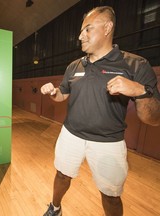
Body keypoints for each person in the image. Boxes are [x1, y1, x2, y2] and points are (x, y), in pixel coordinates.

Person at [41, 6, 160, 216]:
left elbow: (154, 119)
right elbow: (63, 94)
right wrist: (53, 93)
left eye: (87, 29)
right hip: (71, 135)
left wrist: (140, 91)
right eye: (80, 31)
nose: (80, 36)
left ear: (107, 27)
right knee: (61, 175)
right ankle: (55, 207)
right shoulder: (74, 66)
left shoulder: (135, 65)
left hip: (108, 143)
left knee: (111, 196)